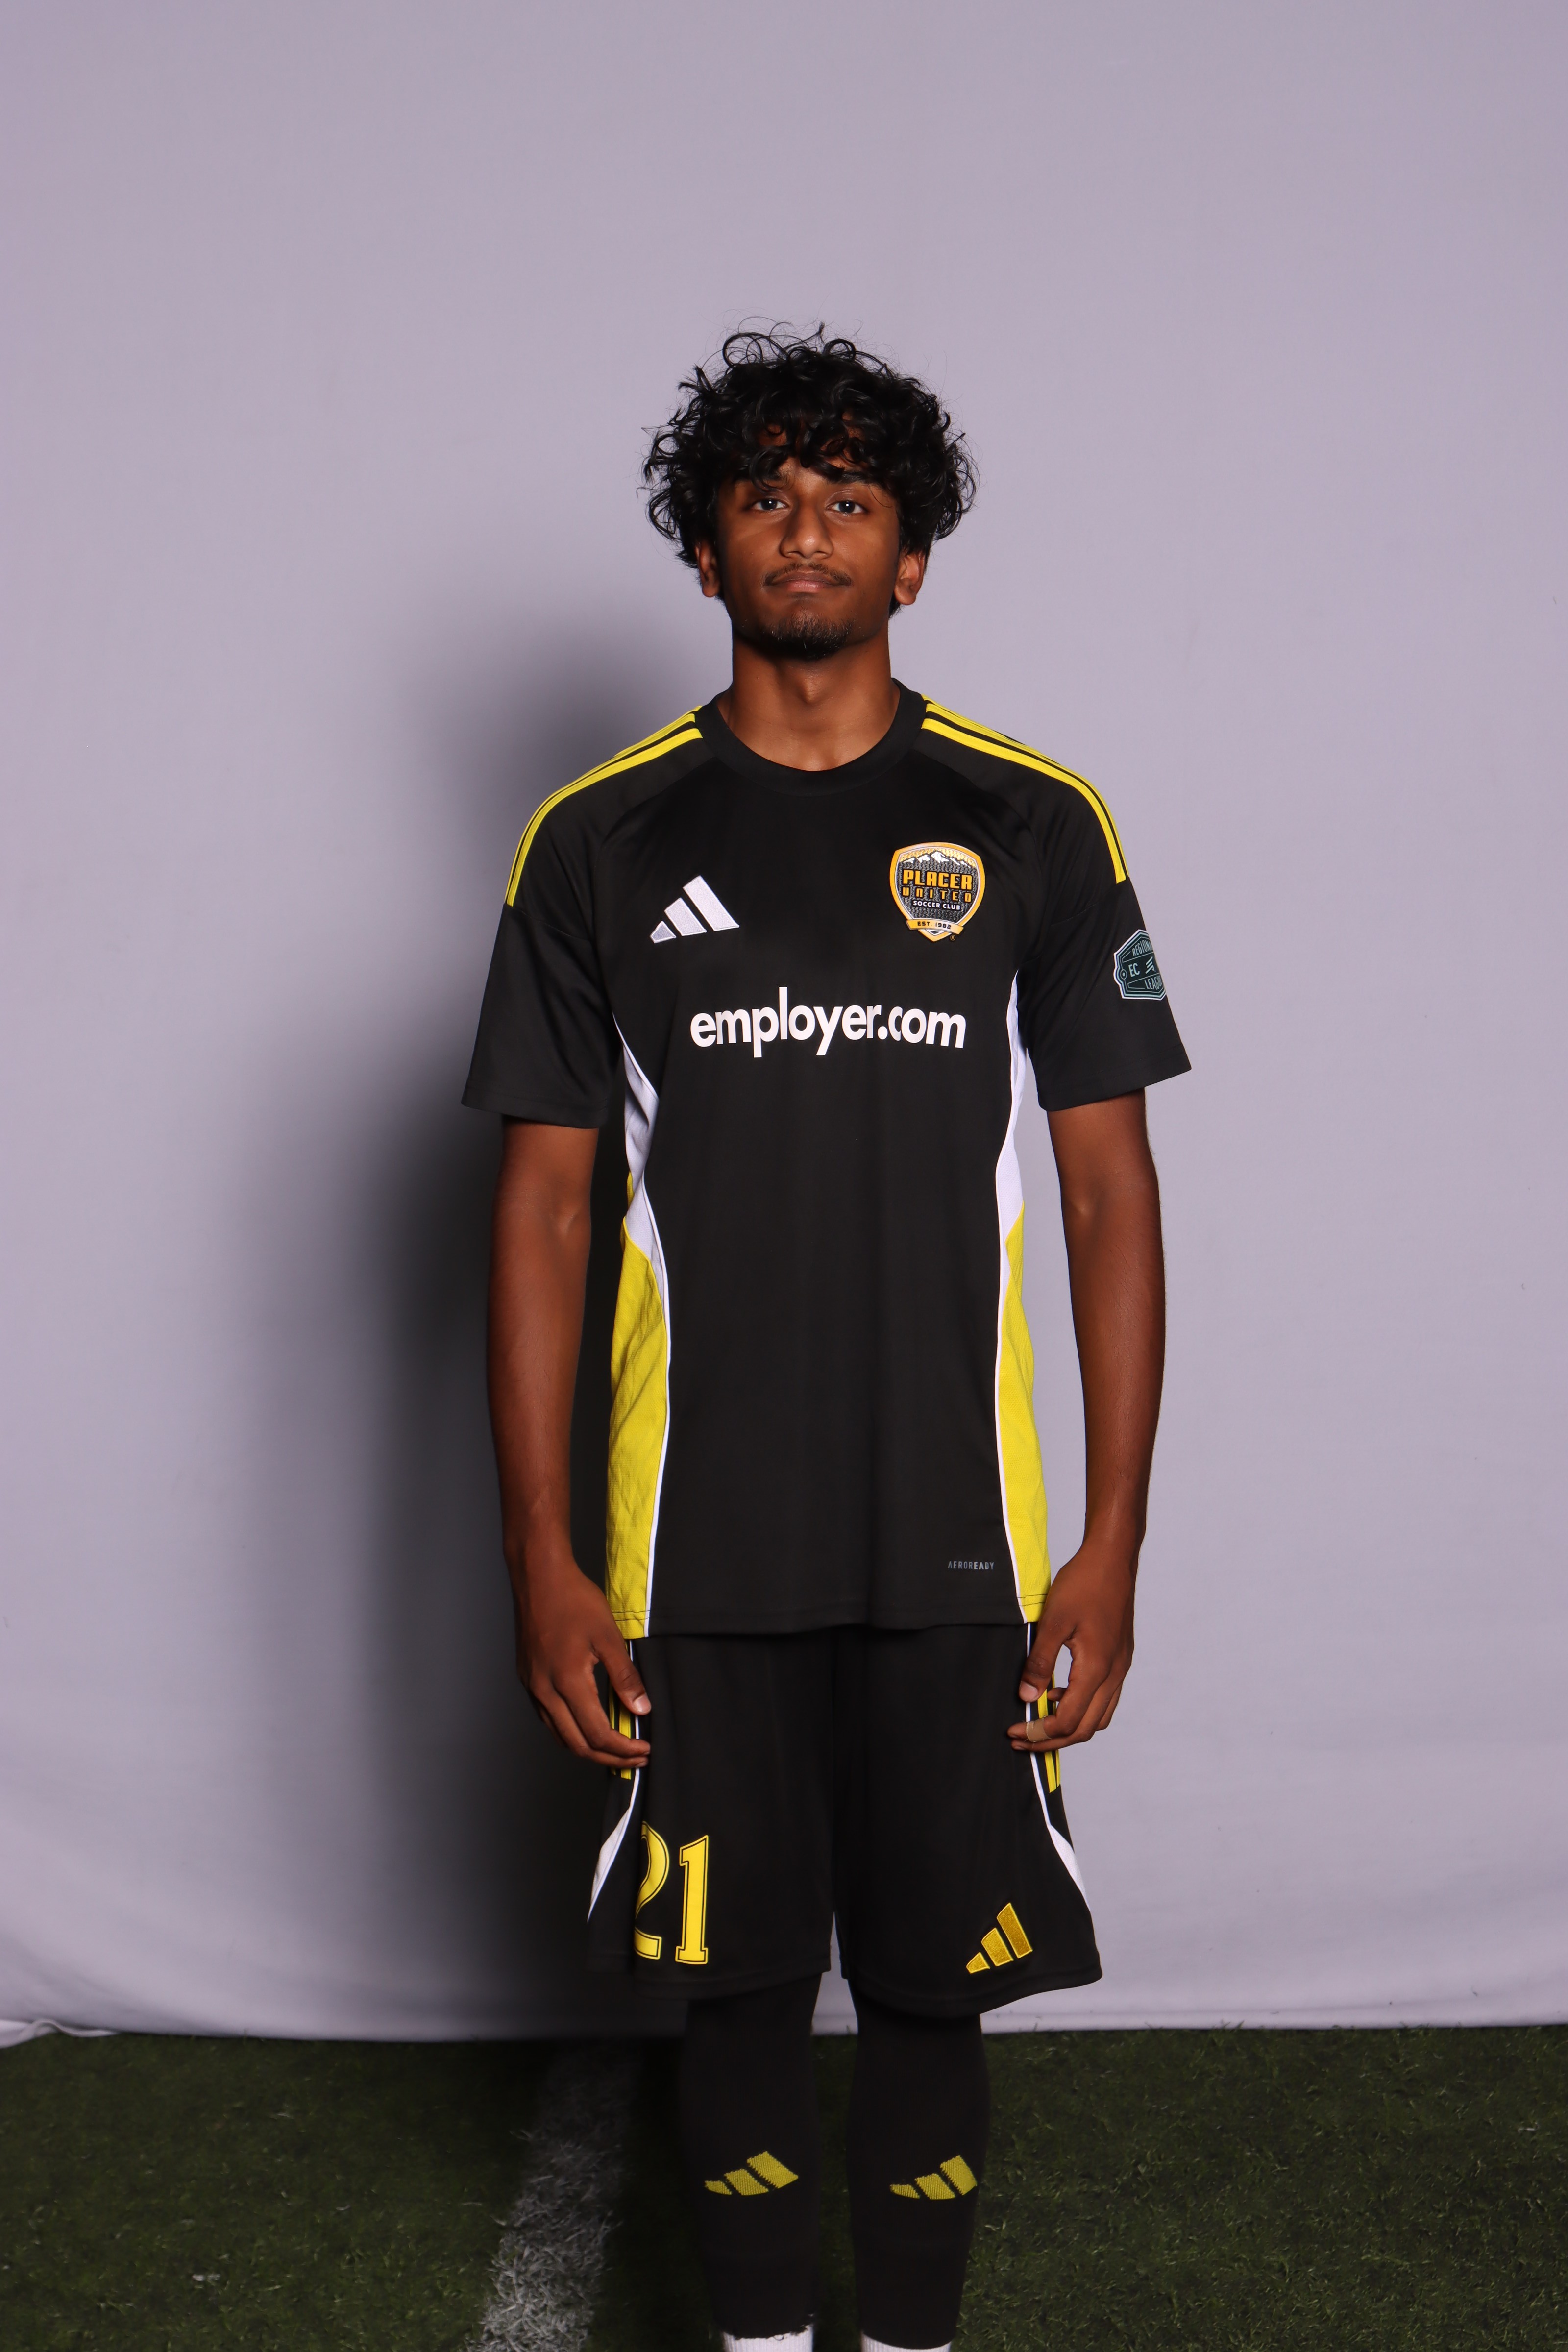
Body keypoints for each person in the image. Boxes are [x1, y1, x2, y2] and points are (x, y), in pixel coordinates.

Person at [464, 328, 1189, 2352]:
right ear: (704, 551)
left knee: (939, 1987)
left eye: (848, 499)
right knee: (736, 1985)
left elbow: (1111, 1197)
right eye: (764, 496)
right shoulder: (596, 838)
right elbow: (538, 1210)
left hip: (961, 1540)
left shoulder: (1032, 821)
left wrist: (1111, 1538)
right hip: (692, 1546)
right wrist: (542, 1554)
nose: (805, 530)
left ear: (912, 557)